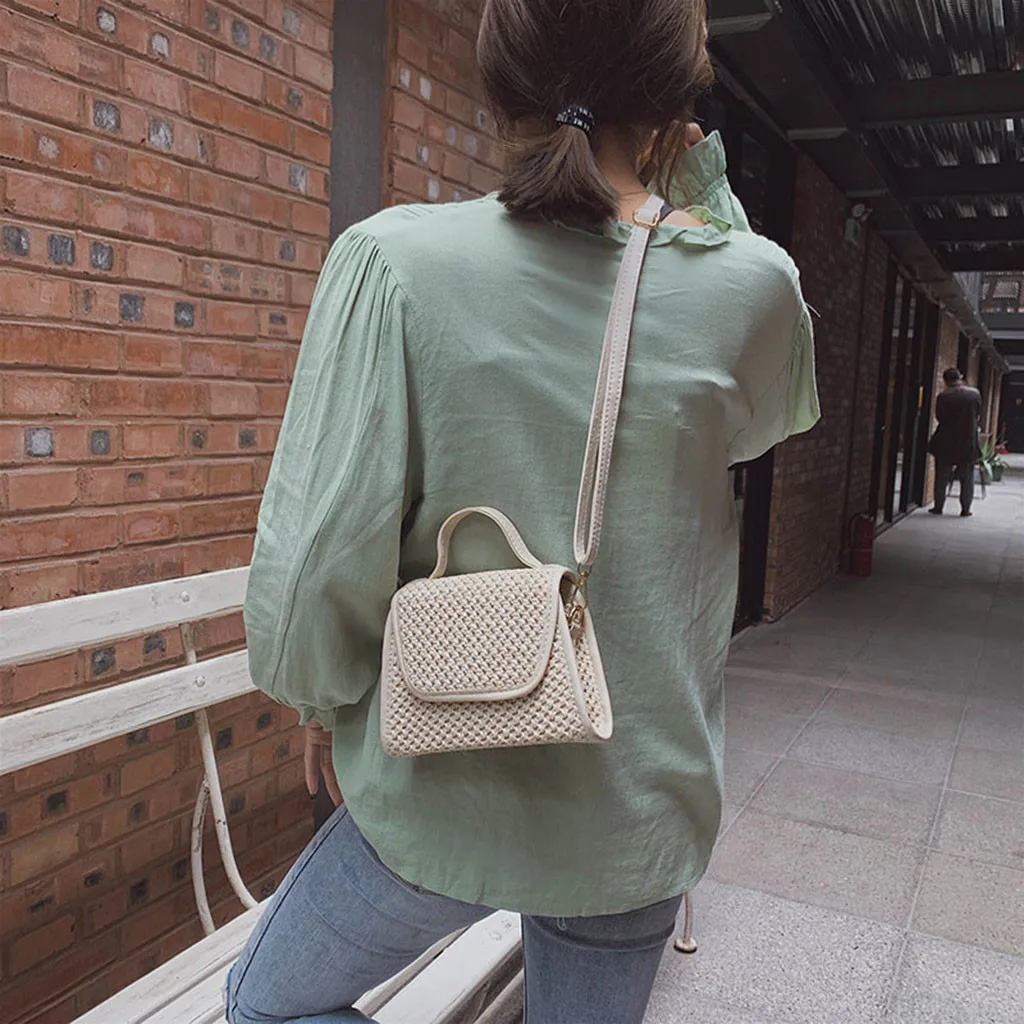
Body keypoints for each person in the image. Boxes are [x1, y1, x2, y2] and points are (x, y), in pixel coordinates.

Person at [228, 2, 819, 1021]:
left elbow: (320, 551)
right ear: (675, 100)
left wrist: (318, 700)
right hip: (632, 810)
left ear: (499, 78)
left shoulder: (393, 263)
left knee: (263, 1006)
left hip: (434, 785)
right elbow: (768, 421)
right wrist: (701, 196)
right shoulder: (753, 286)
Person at [929, 367, 982, 517]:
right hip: (968, 440)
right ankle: (965, 509)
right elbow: (977, 415)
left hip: (947, 440)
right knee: (967, 478)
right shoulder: (975, 394)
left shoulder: (944, 396)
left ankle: (938, 506)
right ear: (961, 377)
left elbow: (940, 417)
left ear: (945, 381)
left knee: (942, 476)